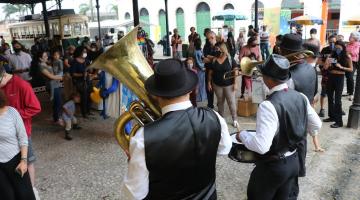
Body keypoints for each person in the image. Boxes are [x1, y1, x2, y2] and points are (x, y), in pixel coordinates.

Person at [122, 59, 232, 199]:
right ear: (191, 89)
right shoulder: (214, 116)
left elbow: (134, 194)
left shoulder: (143, 137)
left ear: (155, 94)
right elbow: (225, 148)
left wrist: (138, 160)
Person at [236, 54, 322, 200]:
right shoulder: (300, 96)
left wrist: (242, 135)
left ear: (268, 79)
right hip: (294, 161)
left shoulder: (268, 105)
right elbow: (316, 125)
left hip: (273, 167)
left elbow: (262, 146)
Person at [280, 33, 318, 198]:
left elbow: (280, 103)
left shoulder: (288, 75)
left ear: (286, 51)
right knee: (296, 167)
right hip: (301, 126)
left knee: (286, 174)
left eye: (281, 50)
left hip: (287, 130)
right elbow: (314, 94)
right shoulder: (311, 69)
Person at [0, 61, 41, 190]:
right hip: (4, 134)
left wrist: (14, 116)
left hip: (22, 132)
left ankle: (32, 190)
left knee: (27, 162)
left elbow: (35, 107)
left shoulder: (22, 85)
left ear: (3, 75)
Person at [0, 90, 36, 200]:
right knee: (7, 196)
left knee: (25, 194)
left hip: (15, 160)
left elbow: (23, 138)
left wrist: (24, 160)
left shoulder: (11, 112)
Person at [208, 42, 239, 128]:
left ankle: (235, 119)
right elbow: (210, 72)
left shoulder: (230, 58)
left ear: (222, 49)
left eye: (217, 49)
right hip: (217, 85)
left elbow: (236, 70)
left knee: (231, 102)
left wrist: (235, 83)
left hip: (229, 85)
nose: (215, 50)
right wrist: (209, 82)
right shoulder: (214, 60)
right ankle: (221, 119)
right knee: (220, 102)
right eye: (215, 49)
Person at [323, 41, 353, 128]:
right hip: (331, 76)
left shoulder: (347, 56)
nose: (337, 49)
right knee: (330, 98)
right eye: (336, 48)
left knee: (337, 100)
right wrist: (327, 62)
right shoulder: (331, 56)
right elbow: (325, 68)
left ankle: (339, 121)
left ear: (343, 48)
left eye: (339, 48)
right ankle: (331, 116)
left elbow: (351, 69)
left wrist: (341, 67)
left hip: (340, 78)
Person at [303, 43, 325, 152]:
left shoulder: (309, 69)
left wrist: (313, 97)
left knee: (311, 125)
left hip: (307, 102)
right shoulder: (310, 69)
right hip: (307, 101)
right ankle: (316, 146)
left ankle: (316, 146)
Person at [35, 51, 63, 123]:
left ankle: (56, 117)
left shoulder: (46, 63)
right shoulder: (41, 66)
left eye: (46, 55)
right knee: (58, 102)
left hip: (55, 84)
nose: (47, 57)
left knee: (57, 102)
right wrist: (61, 78)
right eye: (44, 56)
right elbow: (50, 76)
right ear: (40, 58)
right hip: (51, 86)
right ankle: (57, 118)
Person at [318, 35, 336, 117]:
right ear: (328, 41)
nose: (332, 43)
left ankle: (335, 109)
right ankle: (322, 109)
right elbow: (319, 61)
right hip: (326, 74)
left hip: (335, 75)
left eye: (334, 42)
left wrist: (330, 61)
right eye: (330, 42)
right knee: (323, 92)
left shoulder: (338, 50)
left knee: (334, 93)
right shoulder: (324, 50)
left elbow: (341, 62)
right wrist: (324, 67)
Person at [70, 46, 91, 118]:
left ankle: (88, 111)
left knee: (89, 96)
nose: (85, 53)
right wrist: (82, 74)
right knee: (84, 97)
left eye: (86, 52)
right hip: (79, 82)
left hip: (87, 80)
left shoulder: (86, 60)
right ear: (79, 52)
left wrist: (90, 70)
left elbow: (89, 70)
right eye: (83, 52)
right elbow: (72, 74)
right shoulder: (74, 61)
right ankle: (84, 113)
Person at [203, 29, 216, 109]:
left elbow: (221, 57)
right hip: (208, 70)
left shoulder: (219, 45)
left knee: (218, 89)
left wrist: (210, 58)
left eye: (210, 38)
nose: (208, 40)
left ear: (213, 37)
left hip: (218, 70)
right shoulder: (206, 45)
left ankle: (219, 105)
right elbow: (204, 56)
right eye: (207, 38)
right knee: (209, 88)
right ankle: (210, 105)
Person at [345, 31, 360, 101]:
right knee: (348, 76)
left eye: (351, 37)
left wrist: (348, 52)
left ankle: (351, 93)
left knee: (350, 77)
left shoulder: (357, 44)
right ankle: (348, 91)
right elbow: (345, 51)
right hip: (347, 61)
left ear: (355, 38)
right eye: (349, 36)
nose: (349, 38)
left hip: (353, 62)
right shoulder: (348, 44)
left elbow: (355, 53)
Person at [194, 38, 207, 102]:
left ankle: (203, 97)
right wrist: (203, 67)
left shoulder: (200, 50)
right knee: (199, 83)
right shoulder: (196, 52)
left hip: (202, 69)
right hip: (200, 70)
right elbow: (197, 61)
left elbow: (203, 58)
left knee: (202, 83)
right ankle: (199, 97)